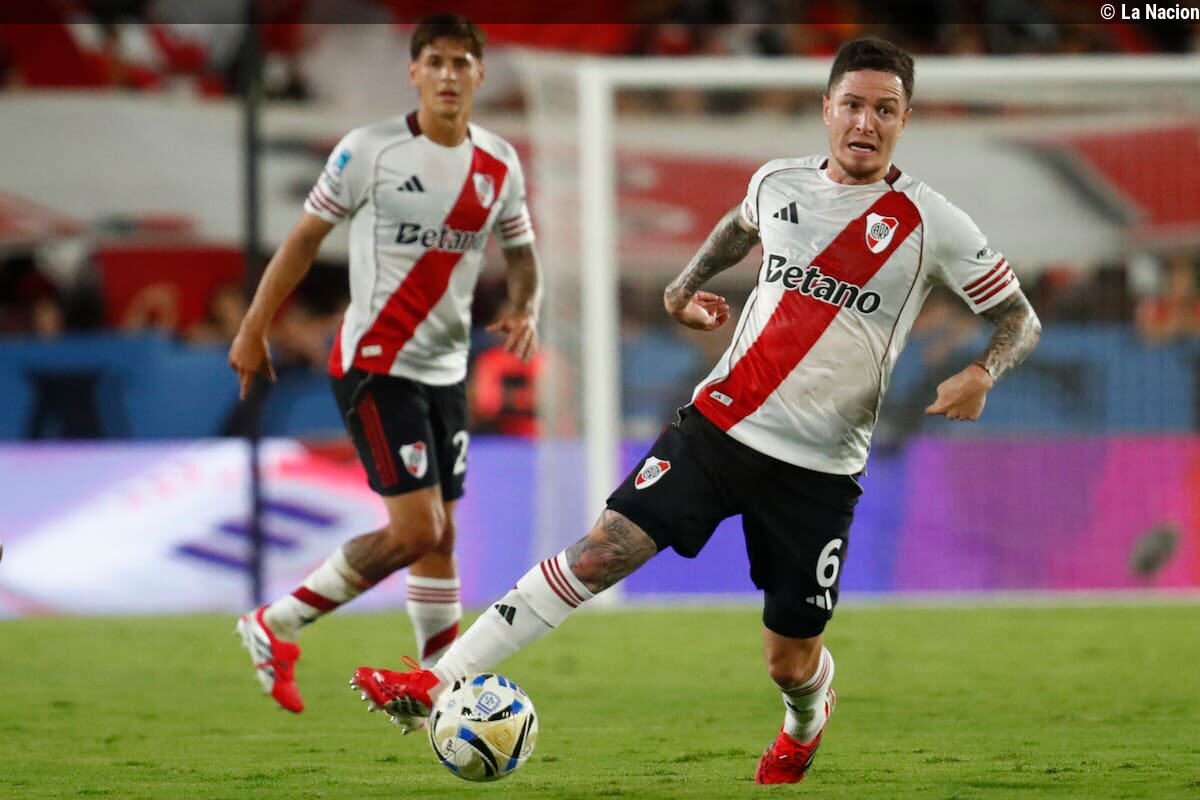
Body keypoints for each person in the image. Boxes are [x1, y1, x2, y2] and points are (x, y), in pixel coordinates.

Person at [350, 37, 1042, 783]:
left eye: (885, 110)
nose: (865, 123)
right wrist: (683, 287)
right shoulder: (777, 181)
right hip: (719, 427)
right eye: (853, 105)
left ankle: (807, 718)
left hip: (819, 468)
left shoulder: (931, 222)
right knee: (601, 551)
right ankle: (436, 681)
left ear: (905, 120)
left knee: (789, 661)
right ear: (827, 109)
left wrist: (982, 372)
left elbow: (1020, 318)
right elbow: (739, 226)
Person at [228, 14, 542, 714]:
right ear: (414, 72)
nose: (448, 75)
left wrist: (525, 306)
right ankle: (275, 623)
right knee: (417, 530)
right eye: (436, 61)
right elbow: (303, 240)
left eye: (461, 62)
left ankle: (435, 691)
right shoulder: (369, 150)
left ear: (480, 74)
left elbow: (522, 253)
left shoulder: (499, 162)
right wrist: (254, 327)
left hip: (446, 369)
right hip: (376, 362)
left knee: (441, 539)